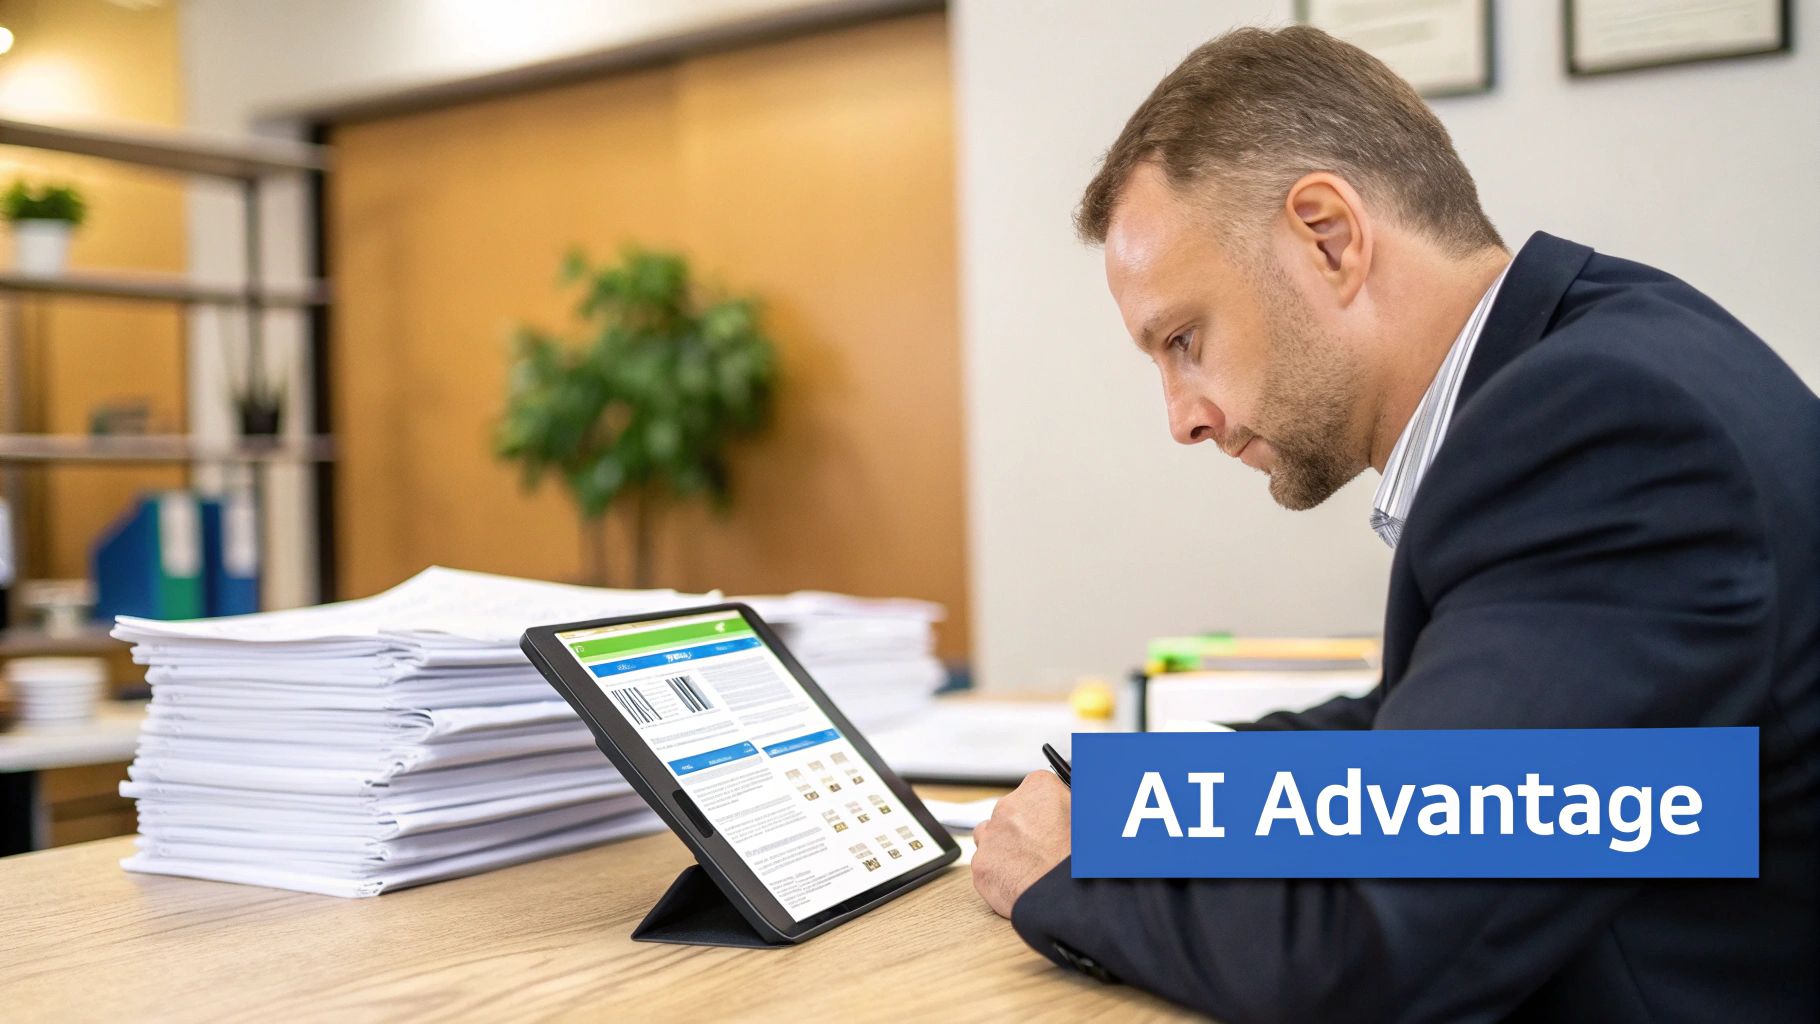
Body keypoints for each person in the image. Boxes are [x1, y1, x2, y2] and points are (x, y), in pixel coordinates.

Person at [968, 25, 1819, 1023]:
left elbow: (1375, 942)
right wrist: (1133, 800)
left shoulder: (1600, 432)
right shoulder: (1620, 341)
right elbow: (1427, 758)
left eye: (1183, 341)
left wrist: (1070, 877)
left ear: (1328, 236)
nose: (1182, 417)